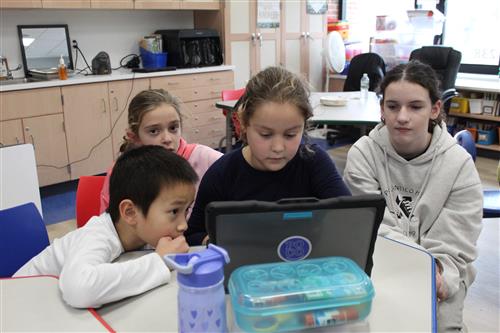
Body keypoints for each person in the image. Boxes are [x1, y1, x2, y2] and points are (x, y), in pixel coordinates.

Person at [343, 60, 482, 331]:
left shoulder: (459, 165)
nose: (402, 117)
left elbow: (457, 240)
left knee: (439, 325)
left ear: (435, 109)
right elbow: (375, 230)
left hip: (442, 270)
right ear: (382, 109)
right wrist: (415, 268)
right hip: (381, 266)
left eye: (415, 107)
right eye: (393, 106)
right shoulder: (363, 154)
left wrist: (436, 273)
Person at [14, 145, 198, 309]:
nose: (184, 224)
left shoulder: (142, 235)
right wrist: (159, 261)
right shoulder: (98, 234)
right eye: (174, 211)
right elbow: (80, 289)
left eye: (186, 209)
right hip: (16, 304)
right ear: (130, 212)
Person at [186, 66, 351, 246]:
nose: (278, 147)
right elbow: (194, 234)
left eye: (290, 135)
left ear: (304, 126)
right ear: (243, 123)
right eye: (265, 134)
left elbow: (350, 218)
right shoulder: (222, 174)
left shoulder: (314, 162)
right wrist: (218, 242)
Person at [99, 89, 223, 214]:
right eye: (154, 131)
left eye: (173, 128)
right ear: (134, 137)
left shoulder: (206, 158)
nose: (167, 139)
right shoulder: (121, 172)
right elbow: (109, 226)